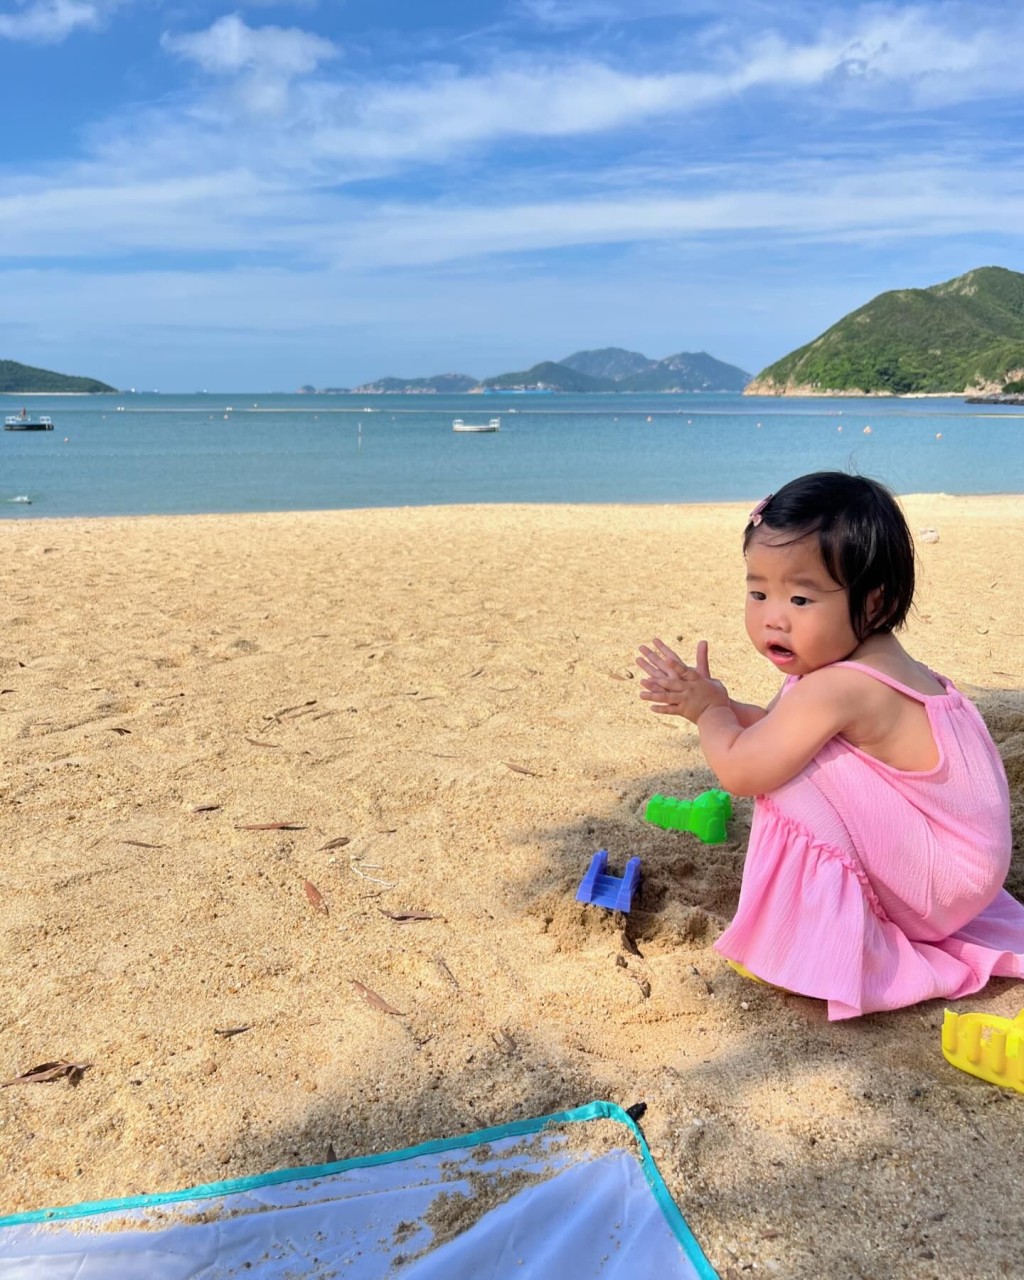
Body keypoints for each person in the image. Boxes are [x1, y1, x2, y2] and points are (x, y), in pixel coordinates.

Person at [636, 471, 1021, 1020]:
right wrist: (722, 701)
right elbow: (777, 727)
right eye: (758, 591)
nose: (773, 615)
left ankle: (802, 937)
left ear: (875, 603)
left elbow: (742, 770)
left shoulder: (839, 687)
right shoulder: (872, 662)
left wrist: (707, 713)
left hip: (939, 888)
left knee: (783, 778)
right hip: (966, 873)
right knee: (790, 754)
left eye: (799, 597)